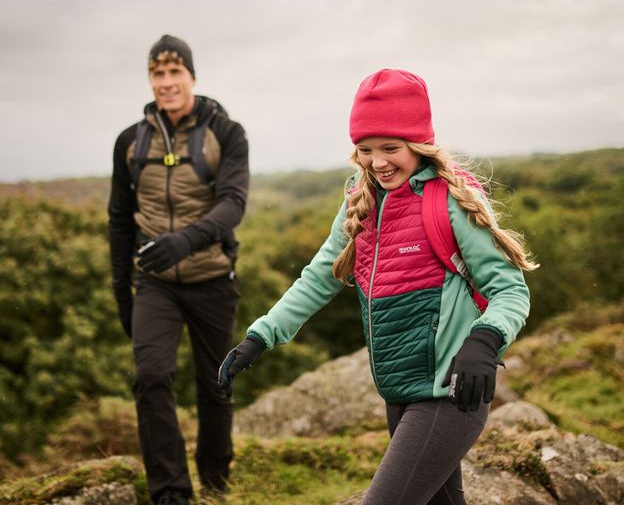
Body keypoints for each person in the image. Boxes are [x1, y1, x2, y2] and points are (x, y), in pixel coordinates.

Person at [219, 69, 534, 505]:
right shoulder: (359, 200)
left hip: (448, 392)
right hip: (400, 392)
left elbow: (511, 290)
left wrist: (484, 340)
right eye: (366, 150)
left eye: (391, 148)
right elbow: (319, 277)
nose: (379, 162)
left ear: (419, 144)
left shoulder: (448, 201)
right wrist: (260, 335)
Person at [108, 34, 249, 505]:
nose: (166, 83)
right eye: (157, 73)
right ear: (150, 79)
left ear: (191, 76)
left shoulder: (226, 133)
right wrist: (121, 293)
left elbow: (233, 203)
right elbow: (118, 217)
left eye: (174, 72)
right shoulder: (131, 141)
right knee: (150, 377)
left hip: (212, 276)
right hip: (154, 283)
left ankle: (214, 480)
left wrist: (186, 241)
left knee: (216, 384)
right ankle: (170, 493)